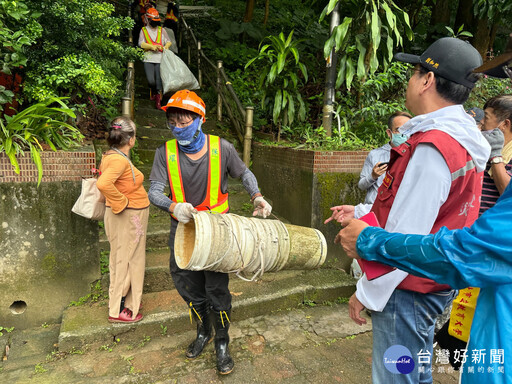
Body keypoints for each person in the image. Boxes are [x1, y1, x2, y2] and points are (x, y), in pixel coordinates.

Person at [325, 37, 490, 383]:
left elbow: (405, 238)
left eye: (414, 72)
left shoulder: (433, 146)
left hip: (406, 292)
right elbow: (424, 213)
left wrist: (365, 294)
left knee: (396, 376)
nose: (409, 81)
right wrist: (362, 213)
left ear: (427, 79)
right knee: (414, 371)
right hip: (434, 282)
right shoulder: (462, 140)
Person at [148, 90, 272, 375]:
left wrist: (256, 196)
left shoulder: (222, 148)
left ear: (200, 120)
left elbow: (244, 173)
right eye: (173, 123)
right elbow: (154, 191)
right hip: (183, 231)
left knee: (217, 288)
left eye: (184, 122)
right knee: (187, 286)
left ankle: (223, 341)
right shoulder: (164, 153)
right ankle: (204, 330)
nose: (178, 128)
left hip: (217, 232)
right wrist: (172, 206)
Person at [96, 117, 150, 323]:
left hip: (125, 215)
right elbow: (103, 184)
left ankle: (126, 301)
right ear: (131, 140)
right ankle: (121, 308)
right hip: (128, 215)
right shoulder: (118, 160)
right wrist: (122, 202)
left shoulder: (111, 156)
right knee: (130, 260)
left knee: (122, 258)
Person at [358, 111, 412, 205]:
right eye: (399, 129)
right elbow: (361, 186)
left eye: (408, 129)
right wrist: (373, 176)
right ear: (389, 133)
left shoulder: (416, 155)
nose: (404, 134)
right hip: (374, 210)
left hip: (402, 211)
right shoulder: (375, 155)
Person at [479, 95, 512, 215]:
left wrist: (496, 156)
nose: (482, 121)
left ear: (504, 124)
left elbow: (507, 192)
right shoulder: (484, 146)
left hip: (491, 229)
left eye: (486, 117)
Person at [138, 8, 172, 109]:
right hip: (148, 58)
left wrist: (165, 47)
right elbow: (140, 43)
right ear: (148, 20)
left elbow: (168, 41)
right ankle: (153, 90)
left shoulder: (162, 30)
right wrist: (151, 47)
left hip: (160, 59)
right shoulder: (143, 30)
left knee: (158, 80)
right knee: (150, 80)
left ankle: (158, 100)